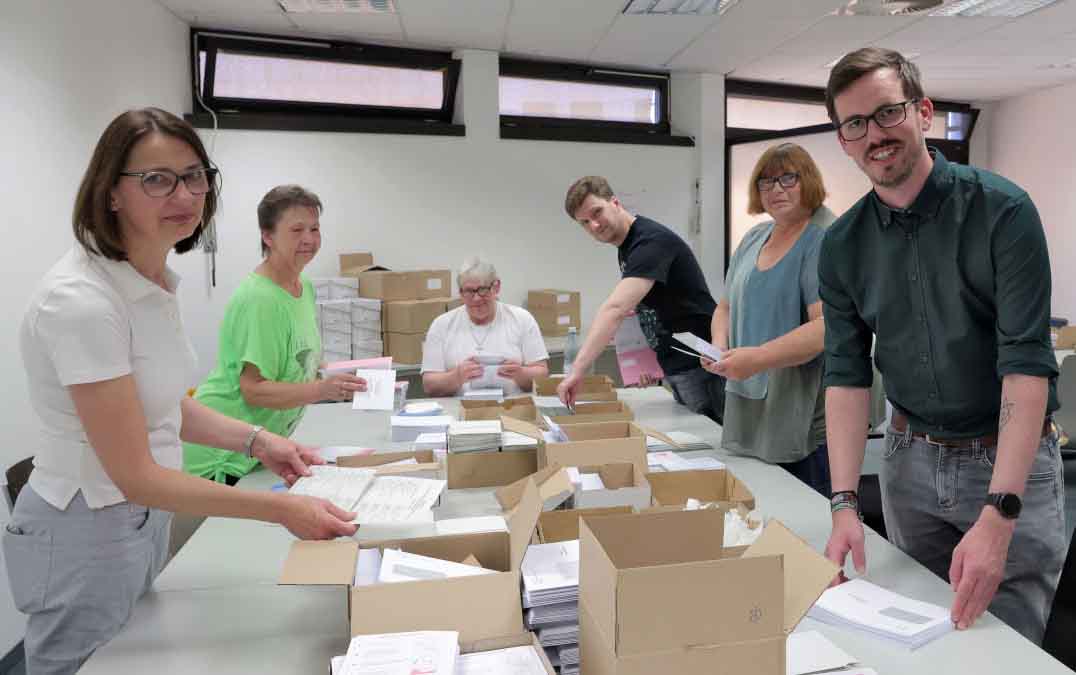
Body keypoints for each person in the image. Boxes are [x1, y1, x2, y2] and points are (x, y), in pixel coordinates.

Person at [3, 108, 357, 674]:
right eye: (157, 179)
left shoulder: (151, 282)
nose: (185, 194)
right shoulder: (82, 302)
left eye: (196, 176)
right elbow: (134, 473)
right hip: (84, 527)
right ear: (111, 192)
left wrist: (258, 442)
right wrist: (279, 508)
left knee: (141, 656)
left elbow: (164, 402)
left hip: (143, 518)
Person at [819, 48, 1064, 644]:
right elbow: (847, 375)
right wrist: (844, 503)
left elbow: (1027, 365)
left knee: (1005, 645)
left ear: (923, 112)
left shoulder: (1002, 211)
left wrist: (1001, 511)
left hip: (1006, 460)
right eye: (855, 124)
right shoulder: (843, 246)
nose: (874, 135)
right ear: (844, 142)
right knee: (919, 636)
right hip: (909, 462)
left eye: (887, 114)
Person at [184, 185, 366, 485]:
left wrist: (344, 377)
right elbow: (254, 389)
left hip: (260, 449)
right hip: (222, 455)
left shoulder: (302, 286)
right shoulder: (259, 298)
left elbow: (298, 362)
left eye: (314, 228)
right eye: (296, 230)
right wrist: (322, 390)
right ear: (268, 236)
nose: (309, 239)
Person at [702, 143, 835, 496]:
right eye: (766, 181)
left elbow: (825, 328)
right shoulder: (754, 236)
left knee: (802, 516)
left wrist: (757, 359)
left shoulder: (822, 238)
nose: (776, 189)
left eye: (787, 178)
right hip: (749, 396)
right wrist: (718, 348)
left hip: (797, 408)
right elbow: (725, 307)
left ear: (807, 180)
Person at [557, 176, 724, 421]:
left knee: (712, 445)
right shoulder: (628, 246)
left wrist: (577, 371)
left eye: (597, 212)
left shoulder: (650, 242)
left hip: (700, 365)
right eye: (584, 222)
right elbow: (646, 310)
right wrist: (645, 364)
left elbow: (615, 309)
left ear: (615, 202)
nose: (593, 225)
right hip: (675, 365)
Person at [422, 258, 549, 397]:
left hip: (511, 406)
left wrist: (520, 374)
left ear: (496, 287)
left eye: (482, 290)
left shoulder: (522, 319)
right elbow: (429, 385)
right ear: (460, 293)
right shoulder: (441, 325)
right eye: (469, 291)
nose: (476, 298)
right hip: (459, 409)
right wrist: (456, 376)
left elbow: (542, 374)